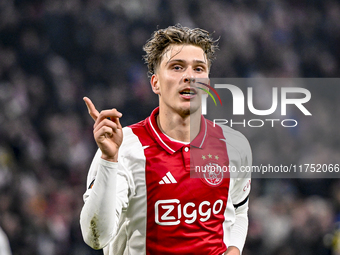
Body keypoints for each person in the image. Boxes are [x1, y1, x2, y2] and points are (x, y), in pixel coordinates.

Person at [80, 24, 252, 255]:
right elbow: (95, 238)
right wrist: (109, 160)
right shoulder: (124, 148)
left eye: (199, 69)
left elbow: (239, 210)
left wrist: (234, 249)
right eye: (177, 67)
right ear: (155, 83)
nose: (189, 76)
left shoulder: (234, 145)